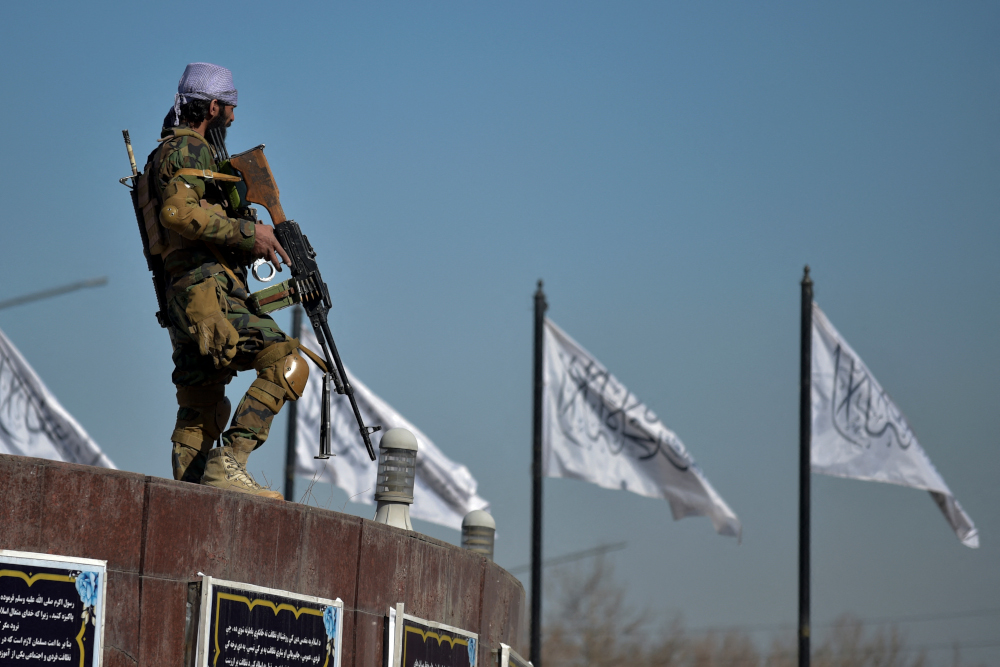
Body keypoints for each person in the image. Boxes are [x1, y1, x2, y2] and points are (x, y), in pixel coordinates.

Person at [145, 63, 307, 499]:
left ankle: (188, 500)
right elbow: (178, 213)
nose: (233, 118)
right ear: (213, 107)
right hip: (205, 291)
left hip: (185, 298)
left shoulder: (169, 153)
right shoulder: (189, 150)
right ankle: (230, 462)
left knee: (200, 408)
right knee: (286, 361)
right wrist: (250, 233)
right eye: (230, 108)